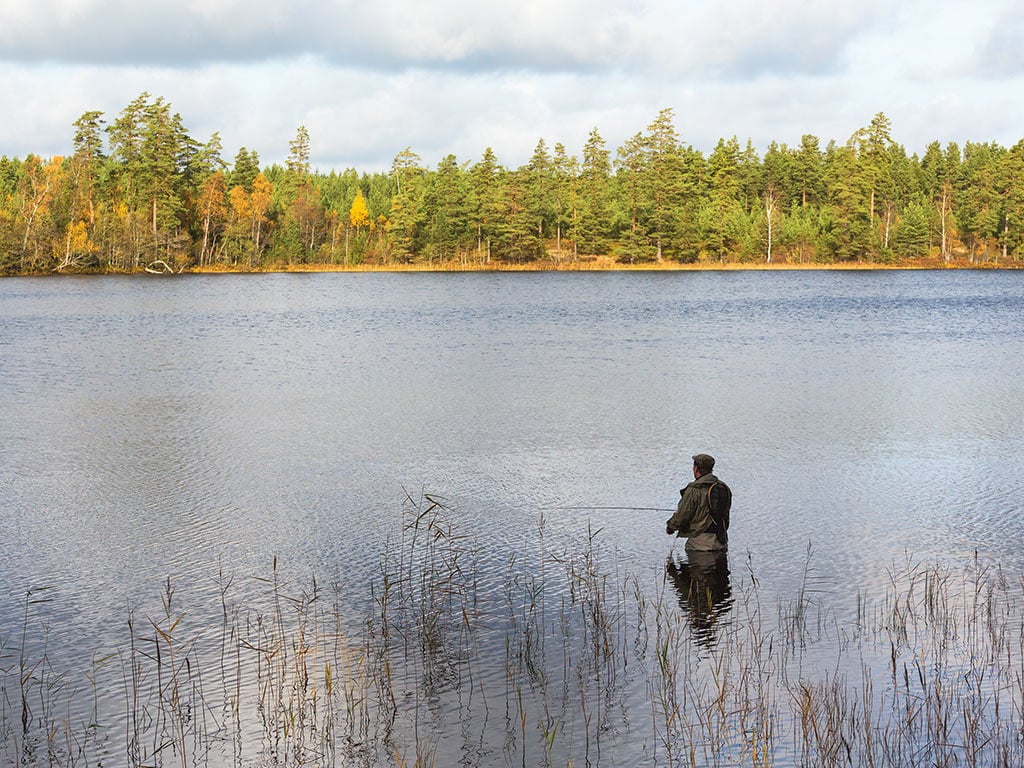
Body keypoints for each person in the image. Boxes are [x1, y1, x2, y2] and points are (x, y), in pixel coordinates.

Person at [665, 453, 731, 552]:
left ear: (696, 469)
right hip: (720, 541)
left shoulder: (694, 489)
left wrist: (671, 527)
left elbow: (683, 514)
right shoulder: (723, 487)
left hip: (700, 544)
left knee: (698, 566)